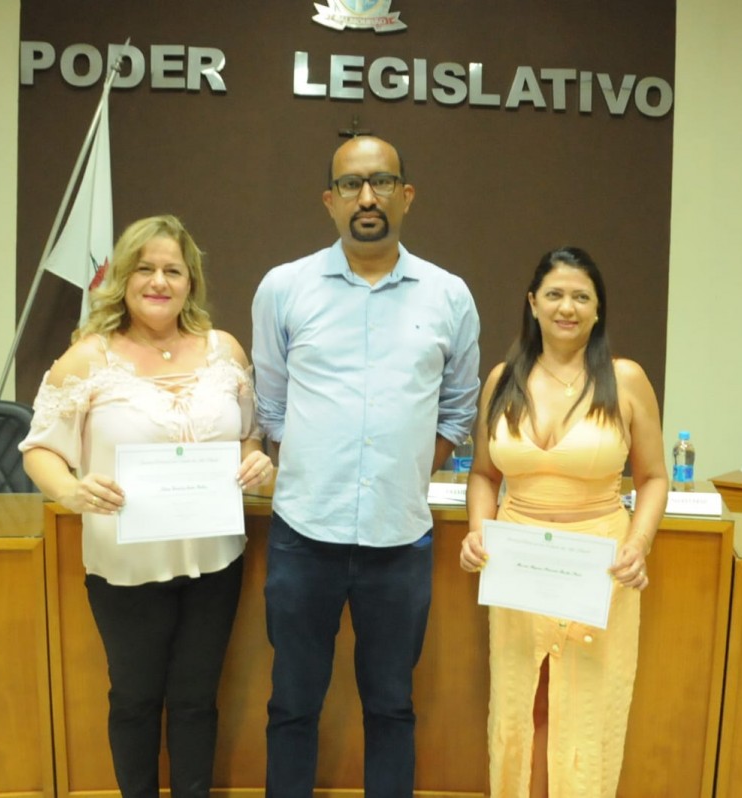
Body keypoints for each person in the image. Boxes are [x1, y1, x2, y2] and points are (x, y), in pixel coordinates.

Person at [251, 135, 481, 796]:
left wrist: (400, 472)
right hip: (304, 537)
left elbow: (457, 412)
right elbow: (272, 404)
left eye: (381, 182)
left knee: (392, 708)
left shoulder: (449, 295)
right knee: (292, 706)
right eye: (351, 185)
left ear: (407, 195)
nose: (367, 197)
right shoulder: (284, 288)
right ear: (330, 201)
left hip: (398, 540)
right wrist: (318, 468)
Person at [21, 215, 272, 798]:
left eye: (173, 271)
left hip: (214, 559)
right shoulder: (88, 358)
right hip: (126, 566)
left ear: (190, 282)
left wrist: (255, 459)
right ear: (123, 279)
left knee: (196, 700)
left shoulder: (224, 351)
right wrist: (70, 490)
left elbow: (249, 433)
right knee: (134, 700)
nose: (159, 281)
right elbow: (39, 450)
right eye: (145, 269)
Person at [459, 246, 668, 797]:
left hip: (598, 565)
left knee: (585, 710)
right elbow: (483, 474)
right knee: (522, 704)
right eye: (554, 294)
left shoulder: (625, 379)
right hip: (518, 565)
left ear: (598, 310)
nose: (567, 307)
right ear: (533, 303)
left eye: (581, 297)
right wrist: (478, 530)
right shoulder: (503, 379)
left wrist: (639, 544)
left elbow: (653, 478)